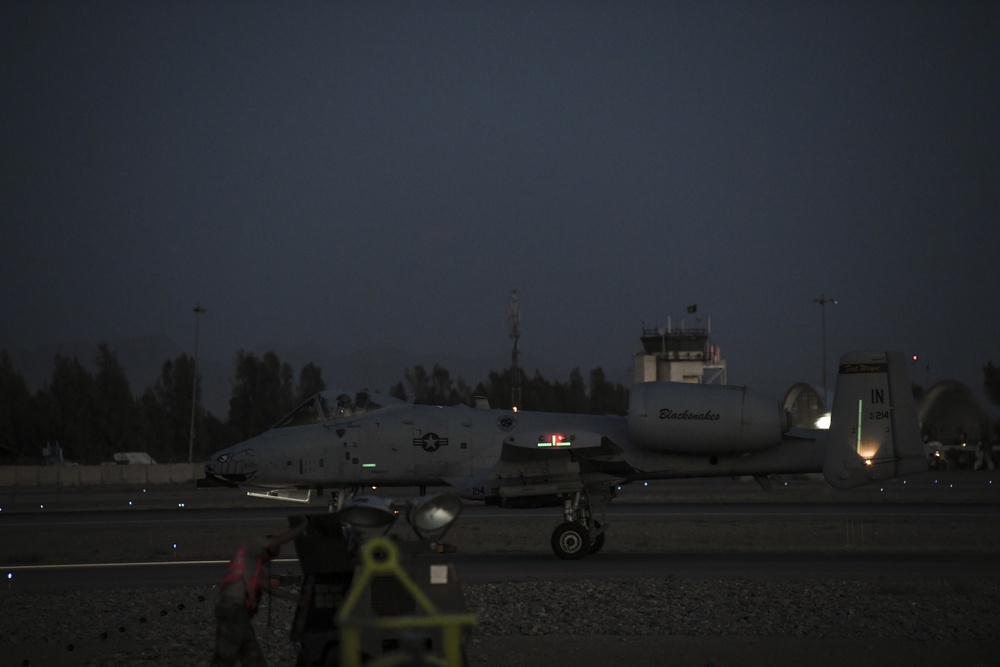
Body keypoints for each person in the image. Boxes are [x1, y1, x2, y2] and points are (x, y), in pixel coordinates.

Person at [212, 522, 307, 666]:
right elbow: (279, 540)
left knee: (251, 655)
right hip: (233, 607)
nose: (266, 561)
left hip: (238, 611)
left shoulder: (253, 565)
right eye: (268, 557)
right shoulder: (253, 545)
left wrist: (293, 597)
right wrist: (301, 527)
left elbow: (267, 586)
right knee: (227, 656)